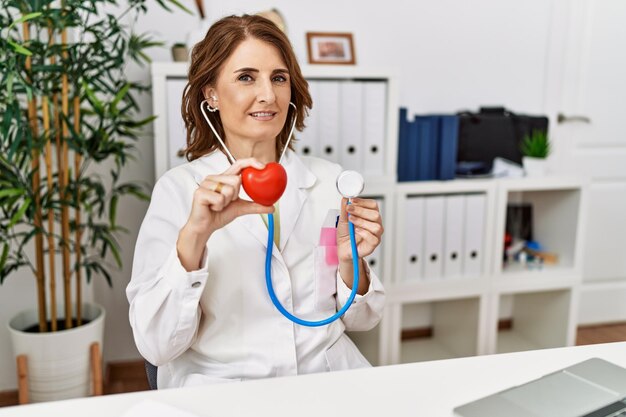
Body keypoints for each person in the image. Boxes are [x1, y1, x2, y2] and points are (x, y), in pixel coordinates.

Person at [126, 14, 385, 389]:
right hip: (226, 388)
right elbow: (156, 345)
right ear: (211, 94)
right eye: (247, 77)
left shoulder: (330, 183)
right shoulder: (179, 191)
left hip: (327, 378)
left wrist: (350, 261)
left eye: (278, 78)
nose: (268, 94)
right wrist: (195, 236)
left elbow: (362, 320)